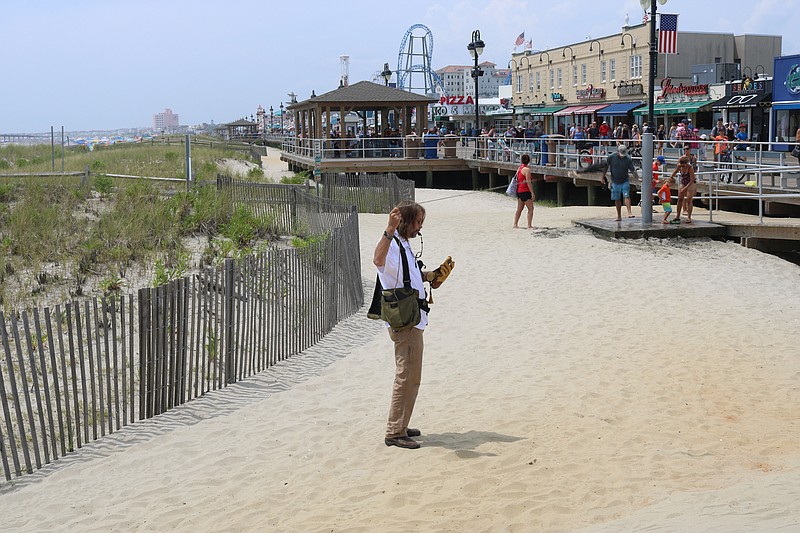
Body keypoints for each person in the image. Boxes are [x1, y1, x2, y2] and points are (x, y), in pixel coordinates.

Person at [373, 202, 433, 450]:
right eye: (417, 222)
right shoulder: (392, 242)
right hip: (405, 321)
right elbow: (377, 260)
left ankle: (402, 423)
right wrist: (389, 228)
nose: (420, 227)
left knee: (413, 376)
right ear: (406, 222)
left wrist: (431, 276)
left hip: (415, 318)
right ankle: (394, 432)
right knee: (405, 375)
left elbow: (410, 274)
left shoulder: (405, 243)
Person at [601, 144, 638, 221]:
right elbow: (605, 167)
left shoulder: (628, 159)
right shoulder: (611, 157)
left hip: (625, 180)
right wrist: (602, 177)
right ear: (617, 152)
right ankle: (619, 216)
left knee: (626, 195)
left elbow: (632, 170)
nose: (622, 156)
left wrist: (637, 178)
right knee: (617, 198)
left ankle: (629, 212)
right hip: (615, 181)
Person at [670, 155, 697, 223]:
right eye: (681, 166)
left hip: (691, 183)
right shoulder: (679, 166)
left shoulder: (690, 168)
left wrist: (685, 188)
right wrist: (671, 177)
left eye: (683, 166)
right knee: (680, 199)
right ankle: (677, 216)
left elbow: (692, 180)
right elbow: (675, 172)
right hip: (683, 182)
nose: (682, 167)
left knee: (689, 200)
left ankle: (689, 217)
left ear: (686, 164)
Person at [513, 153, 536, 229]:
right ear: (529, 161)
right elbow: (528, 182)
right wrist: (532, 193)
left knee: (519, 209)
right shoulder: (527, 170)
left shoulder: (519, 168)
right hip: (525, 191)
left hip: (519, 191)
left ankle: (515, 224)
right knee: (531, 209)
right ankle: (529, 225)